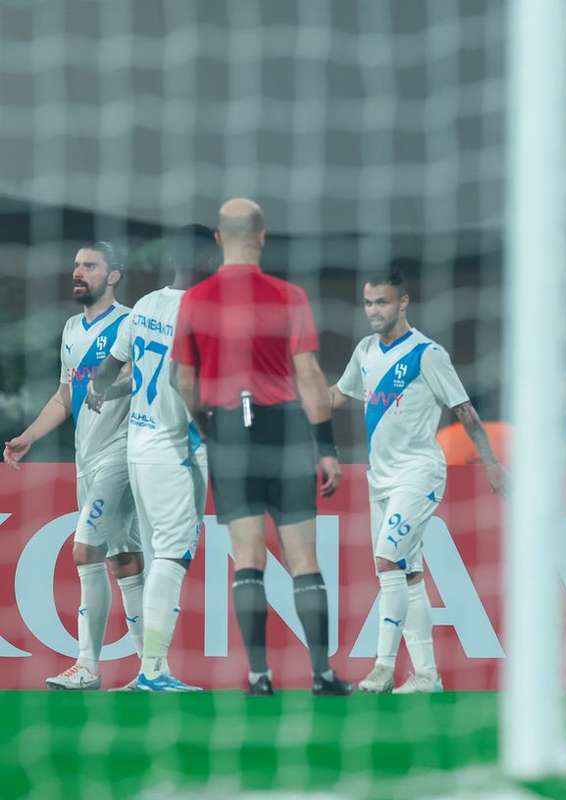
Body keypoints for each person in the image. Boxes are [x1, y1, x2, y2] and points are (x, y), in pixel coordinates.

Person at [171, 198, 351, 696]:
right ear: (263, 236)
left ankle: (258, 675)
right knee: (303, 557)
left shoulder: (196, 299)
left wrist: (205, 423)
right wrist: (326, 447)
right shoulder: (288, 295)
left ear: (218, 239)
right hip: (287, 429)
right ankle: (322, 673)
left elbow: (183, 379)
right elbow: (310, 374)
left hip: (230, 428)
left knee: (246, 555)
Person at [330, 269, 504, 693]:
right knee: (406, 574)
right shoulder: (366, 351)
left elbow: (465, 412)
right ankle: (427, 675)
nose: (373, 311)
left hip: (419, 472)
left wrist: (492, 464)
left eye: (382, 303)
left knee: (386, 562)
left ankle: (383, 667)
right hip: (380, 479)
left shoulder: (427, 353)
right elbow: (337, 395)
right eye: (369, 303)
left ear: (403, 302)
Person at [4, 242, 144, 690]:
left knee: (85, 550)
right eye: (76, 265)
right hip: (87, 456)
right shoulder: (70, 328)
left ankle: (87, 665)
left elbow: (145, 382)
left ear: (115, 275)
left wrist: (118, 387)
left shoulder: (131, 323)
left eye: (90, 265)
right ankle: (152, 670)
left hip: (121, 454)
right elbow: (66, 395)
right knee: (124, 559)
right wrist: (29, 435)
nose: (78, 272)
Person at [88, 226, 219, 690]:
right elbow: (191, 383)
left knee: (159, 551)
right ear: (208, 257)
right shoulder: (203, 309)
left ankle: (151, 666)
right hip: (175, 446)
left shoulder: (145, 305)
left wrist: (106, 391)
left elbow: (108, 373)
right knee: (173, 554)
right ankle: (154, 669)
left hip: (139, 444)